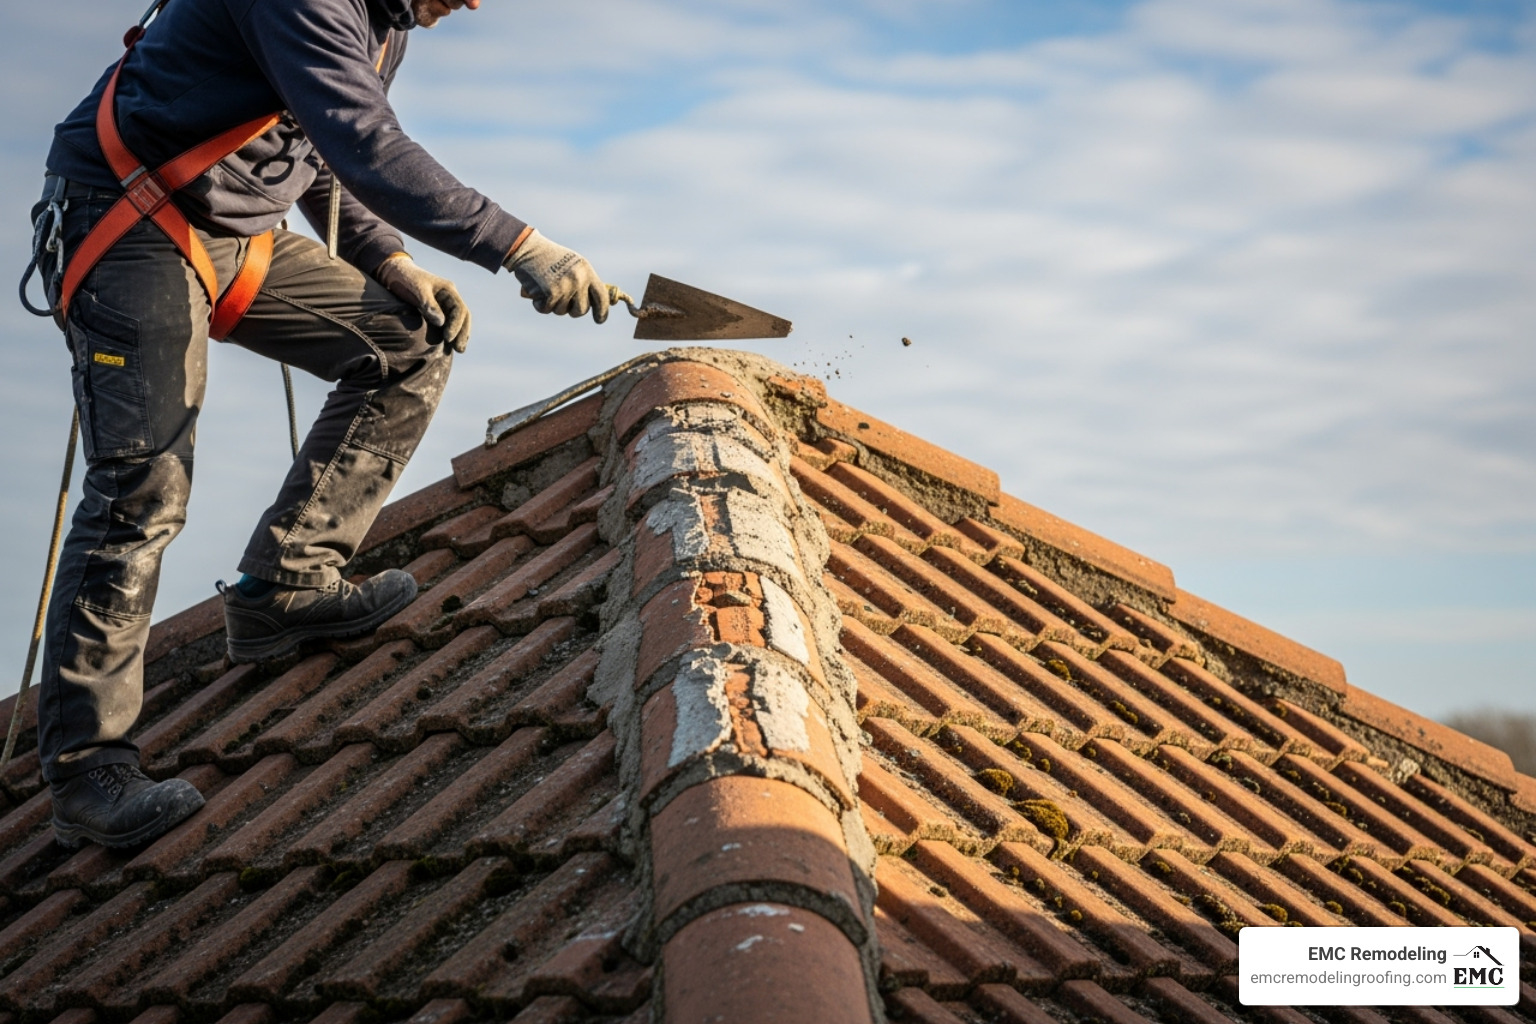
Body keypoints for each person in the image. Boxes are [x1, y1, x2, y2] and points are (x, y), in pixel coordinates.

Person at [23, 0, 610, 849]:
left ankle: (288, 584)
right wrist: (520, 245)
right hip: (128, 215)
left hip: (233, 230)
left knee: (409, 345)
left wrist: (390, 259)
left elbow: (322, 144)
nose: (476, 2)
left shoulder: (385, 20)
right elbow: (368, 142)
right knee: (140, 491)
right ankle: (86, 773)